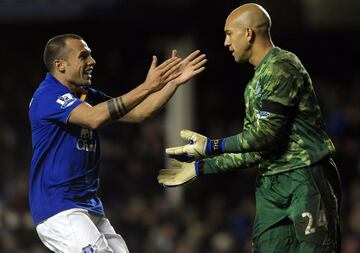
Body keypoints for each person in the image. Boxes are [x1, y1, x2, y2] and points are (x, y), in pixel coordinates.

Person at [158, 3, 341, 253]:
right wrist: (201, 167)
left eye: (229, 33)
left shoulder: (282, 66)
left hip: (305, 177)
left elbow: (264, 136)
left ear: (248, 33)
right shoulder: (253, 85)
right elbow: (254, 151)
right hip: (270, 186)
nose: (225, 42)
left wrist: (211, 147)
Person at [28, 33, 207, 252]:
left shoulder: (87, 96)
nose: (92, 62)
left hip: (88, 206)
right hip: (58, 208)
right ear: (60, 65)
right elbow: (94, 119)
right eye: (84, 56)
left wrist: (172, 83)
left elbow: (140, 113)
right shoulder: (47, 96)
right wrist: (147, 86)